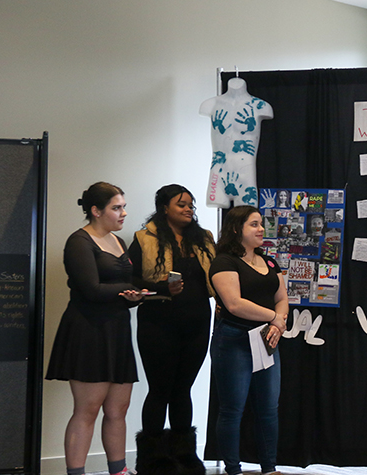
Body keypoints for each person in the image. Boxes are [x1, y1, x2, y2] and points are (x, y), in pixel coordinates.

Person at [45, 182, 146, 475]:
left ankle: (119, 470)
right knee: (87, 410)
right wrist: (130, 289)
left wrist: (135, 298)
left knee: (118, 410)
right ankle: (76, 472)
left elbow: (118, 293)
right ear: (96, 211)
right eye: (117, 207)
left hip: (117, 330)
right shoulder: (79, 241)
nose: (123, 213)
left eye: (123, 206)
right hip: (88, 330)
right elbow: (90, 289)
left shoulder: (118, 241)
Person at [127, 184, 216, 475]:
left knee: (183, 390)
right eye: (181, 204)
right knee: (160, 390)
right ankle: (152, 462)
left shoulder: (204, 239)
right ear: (164, 208)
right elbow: (131, 282)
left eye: (191, 204)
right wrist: (161, 287)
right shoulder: (144, 239)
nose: (189, 209)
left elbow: (217, 277)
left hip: (198, 324)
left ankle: (185, 459)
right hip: (158, 325)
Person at [209, 206, 288, 475]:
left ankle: (269, 468)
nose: (261, 229)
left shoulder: (269, 262)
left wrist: (279, 320)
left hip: (267, 340)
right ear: (236, 229)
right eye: (254, 224)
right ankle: (233, 469)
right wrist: (274, 318)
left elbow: (282, 299)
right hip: (234, 340)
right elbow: (234, 304)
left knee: (269, 408)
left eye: (261, 224)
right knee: (233, 409)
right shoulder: (224, 262)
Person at [200, 77, 273, 208]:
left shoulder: (260, 106)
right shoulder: (210, 104)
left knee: (245, 216)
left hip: (246, 170)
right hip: (219, 168)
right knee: (218, 205)